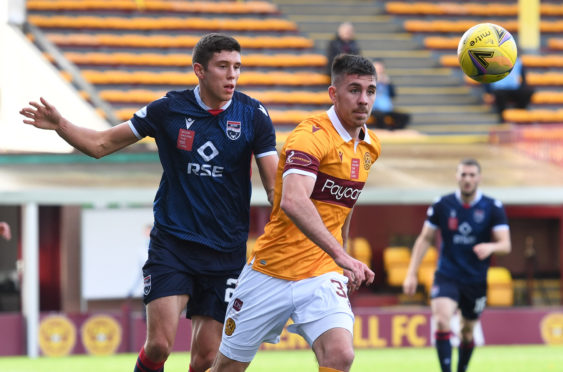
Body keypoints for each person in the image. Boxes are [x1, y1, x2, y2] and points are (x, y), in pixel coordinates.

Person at [20, 33, 279, 372]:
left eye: (237, 67)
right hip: (174, 244)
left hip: (226, 250)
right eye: (223, 67)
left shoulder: (253, 115)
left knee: (206, 357)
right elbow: (100, 145)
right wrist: (60, 125)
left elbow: (276, 188)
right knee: (159, 345)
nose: (232, 75)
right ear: (199, 70)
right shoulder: (168, 110)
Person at [210, 54, 379, 372]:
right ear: (333, 93)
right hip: (271, 272)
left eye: (370, 91)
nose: (363, 99)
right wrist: (344, 257)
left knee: (341, 355)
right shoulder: (310, 136)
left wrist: (339, 259)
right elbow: (293, 200)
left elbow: (345, 206)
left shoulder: (371, 147)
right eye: (354, 90)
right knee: (225, 368)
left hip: (321, 274)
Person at [402, 158, 511, 372]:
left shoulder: (493, 207)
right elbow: (425, 238)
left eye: (472, 175)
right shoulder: (442, 205)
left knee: (467, 331)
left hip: (475, 279)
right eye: (463, 175)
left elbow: (505, 244)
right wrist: (411, 273)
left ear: (479, 178)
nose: (467, 179)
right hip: (447, 275)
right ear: (457, 177)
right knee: (442, 321)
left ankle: (461, 368)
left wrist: (490, 247)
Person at [484, 56, 534, 123]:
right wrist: (488, 92)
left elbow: (523, 78)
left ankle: (520, 114)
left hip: (514, 88)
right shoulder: (491, 60)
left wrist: (523, 86)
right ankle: (502, 118)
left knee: (527, 92)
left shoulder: (518, 61)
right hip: (499, 89)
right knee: (499, 95)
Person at [370, 59, 410, 130]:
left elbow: (393, 95)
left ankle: (393, 132)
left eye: (380, 69)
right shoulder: (369, 81)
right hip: (374, 109)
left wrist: (389, 84)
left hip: (387, 109)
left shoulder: (386, 82)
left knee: (405, 116)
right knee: (380, 116)